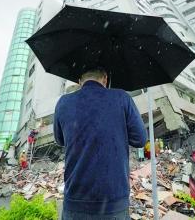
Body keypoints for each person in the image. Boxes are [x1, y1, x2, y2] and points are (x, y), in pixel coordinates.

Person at [54, 67, 147, 219]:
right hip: (113, 202)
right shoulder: (121, 97)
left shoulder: (63, 102)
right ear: (105, 79)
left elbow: (60, 140)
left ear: (79, 82)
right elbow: (140, 139)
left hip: (75, 202)